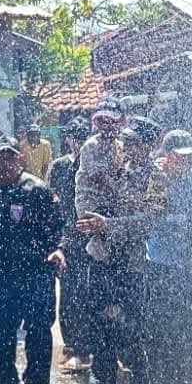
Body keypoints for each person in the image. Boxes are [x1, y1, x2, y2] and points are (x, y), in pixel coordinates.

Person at [78, 116, 167, 384]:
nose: (126, 147)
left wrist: (109, 225)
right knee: (101, 325)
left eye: (133, 142)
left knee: (129, 328)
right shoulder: (118, 169)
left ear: (148, 145)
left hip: (130, 264)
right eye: (125, 141)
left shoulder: (156, 178)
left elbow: (149, 223)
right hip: (103, 256)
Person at [0, 137, 65, 384]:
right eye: (0, 158)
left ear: (20, 159)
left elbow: (59, 226)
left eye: (10, 157)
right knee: (0, 331)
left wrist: (59, 250)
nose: (5, 164)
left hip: (36, 271)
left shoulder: (37, 190)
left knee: (39, 330)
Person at [146, 129, 192, 384]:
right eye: (179, 157)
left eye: (189, 156)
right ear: (166, 156)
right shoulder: (154, 175)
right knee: (157, 318)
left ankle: (182, 377)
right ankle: (158, 375)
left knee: (183, 318)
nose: (185, 162)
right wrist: (160, 181)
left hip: (188, 259)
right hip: (157, 256)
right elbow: (148, 212)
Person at [49, 117, 94, 373]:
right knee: (68, 294)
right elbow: (52, 202)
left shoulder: (97, 165)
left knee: (90, 293)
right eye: (74, 138)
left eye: (82, 138)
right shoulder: (59, 167)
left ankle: (88, 346)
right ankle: (73, 345)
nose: (77, 143)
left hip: (93, 236)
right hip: (67, 237)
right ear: (68, 140)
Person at [75, 99, 127, 263]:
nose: (106, 126)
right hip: (91, 202)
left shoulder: (119, 145)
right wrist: (122, 195)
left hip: (111, 203)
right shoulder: (92, 145)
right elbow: (100, 177)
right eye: (102, 121)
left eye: (110, 121)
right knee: (98, 246)